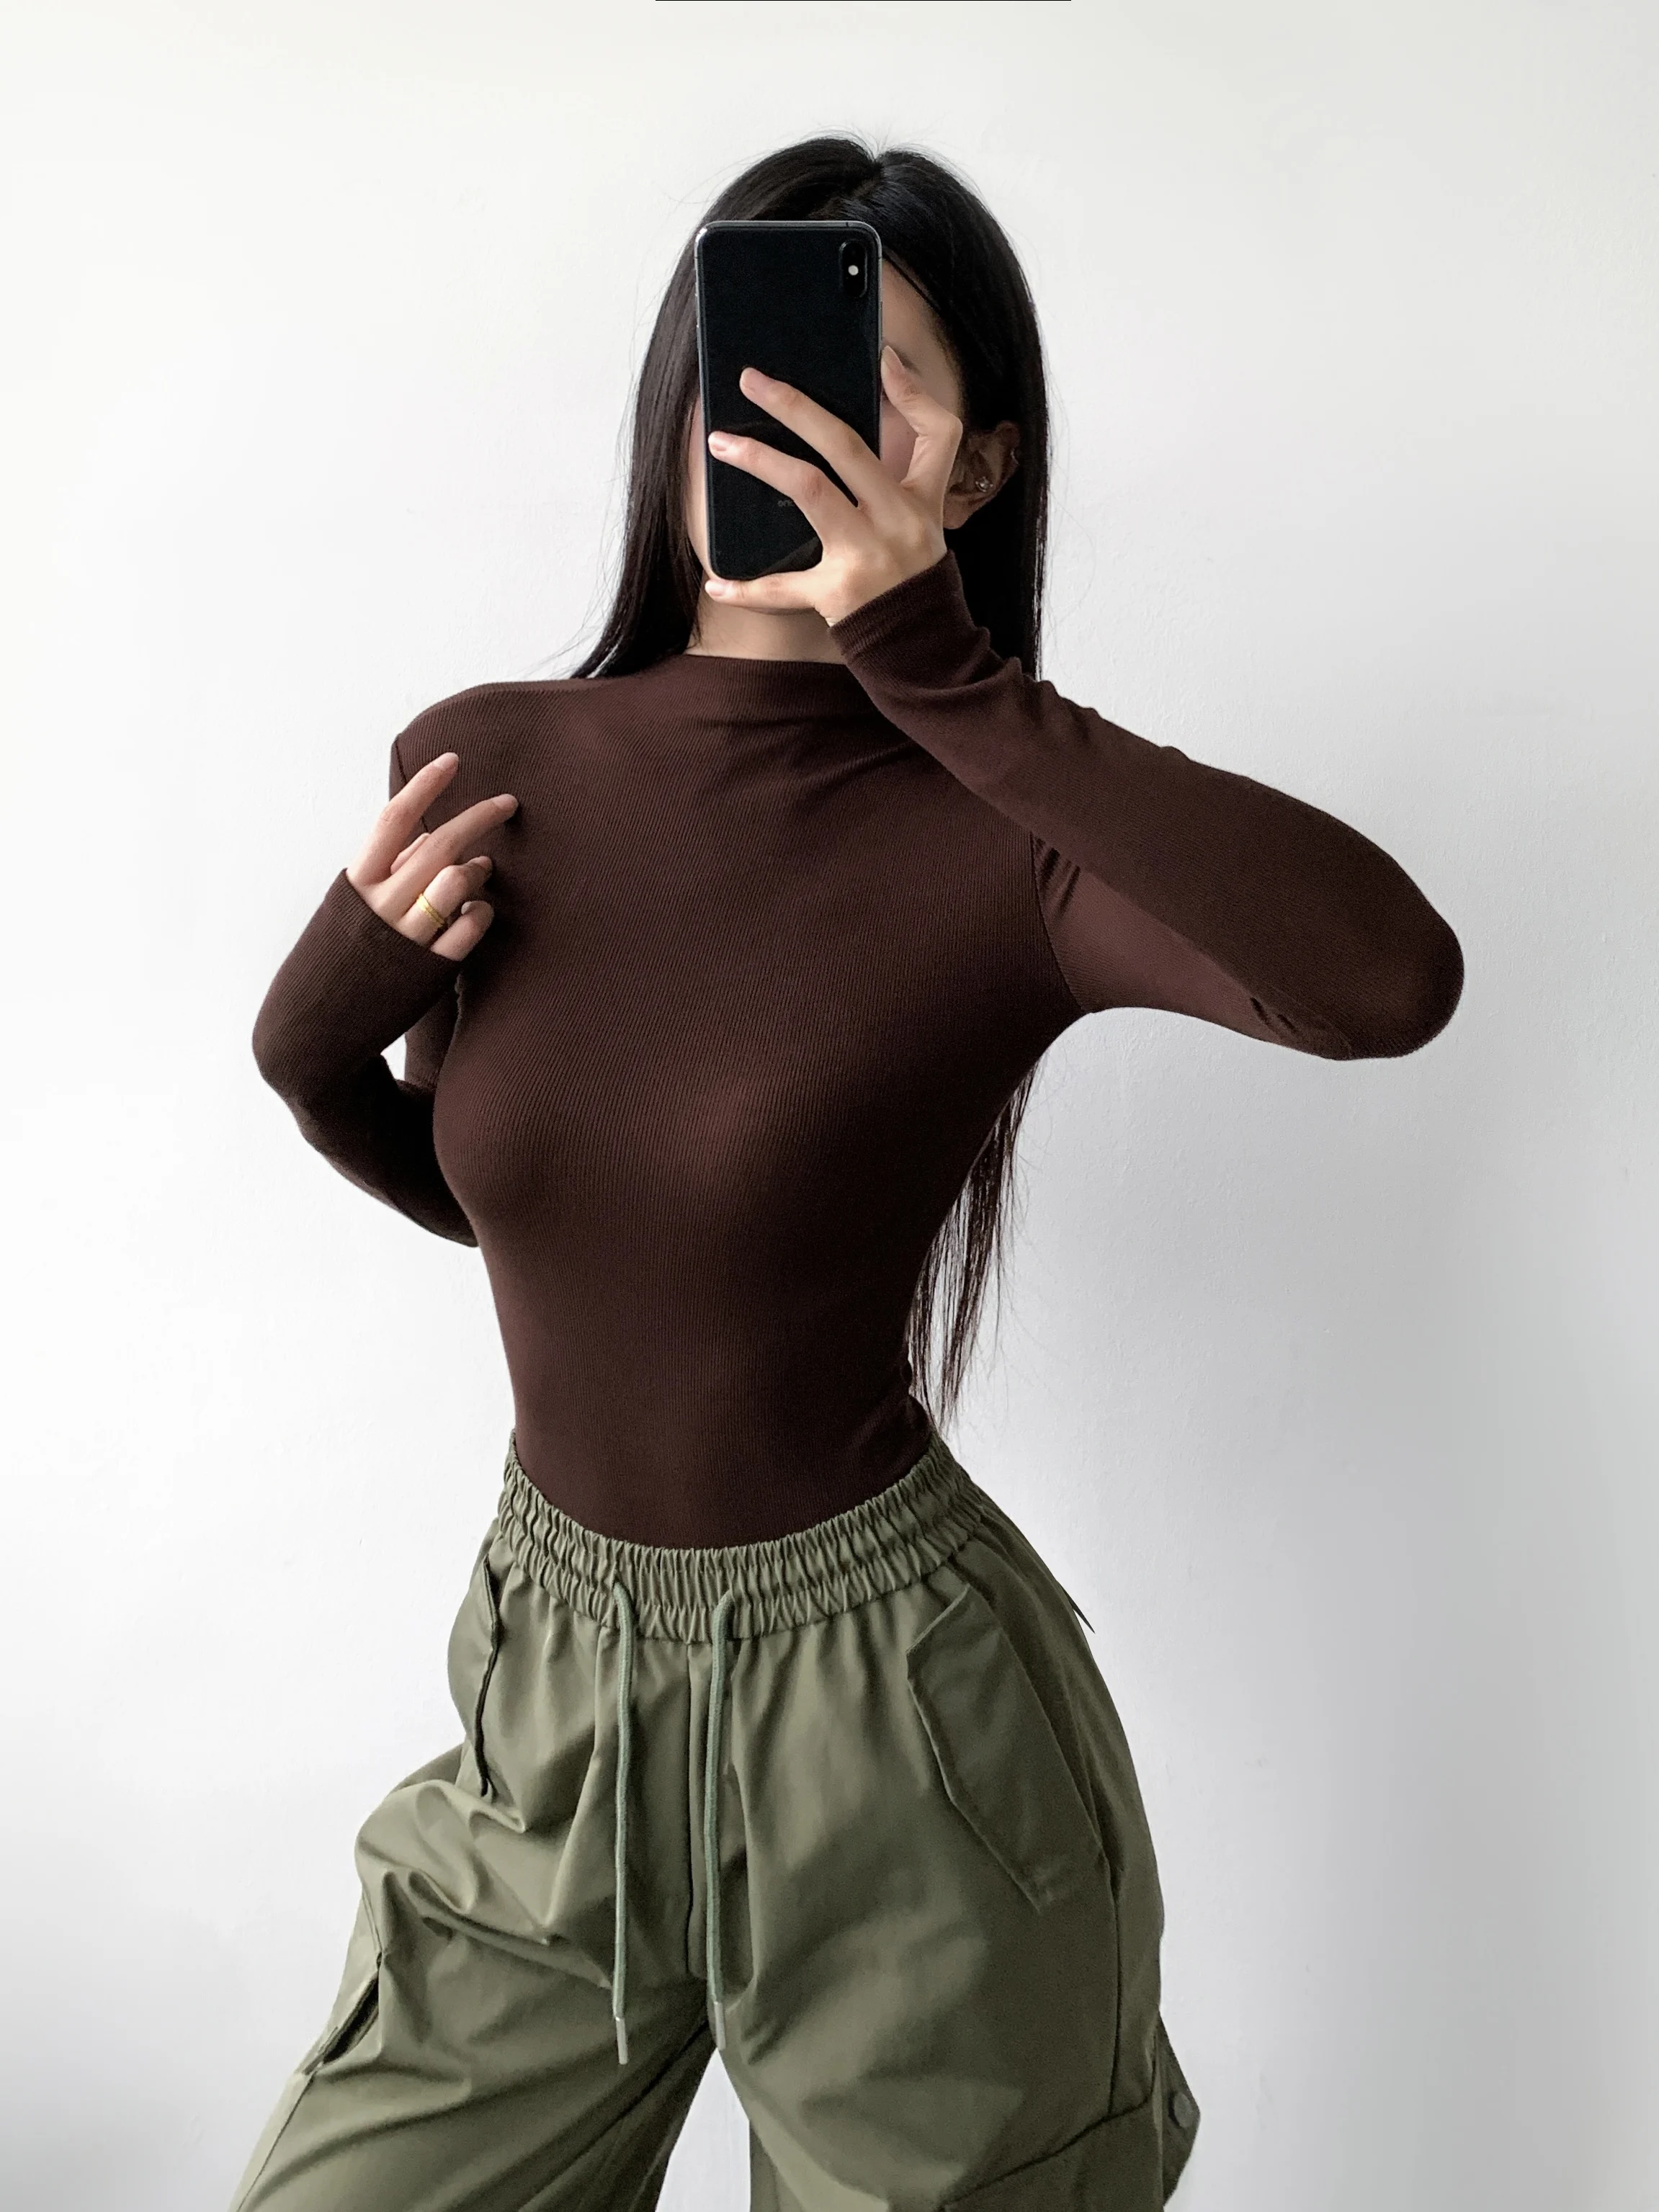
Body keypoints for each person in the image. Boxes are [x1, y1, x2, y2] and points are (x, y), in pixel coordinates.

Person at [232, 136, 1462, 2212]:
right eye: (760, 361)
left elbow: (1384, 982)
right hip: (551, 1712)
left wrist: (949, 676)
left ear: (973, 473)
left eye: (871, 384)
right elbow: (577, 1227)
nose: (794, 420)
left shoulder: (1004, 841)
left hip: (904, 1744)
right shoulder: (497, 763)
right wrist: (310, 1047)